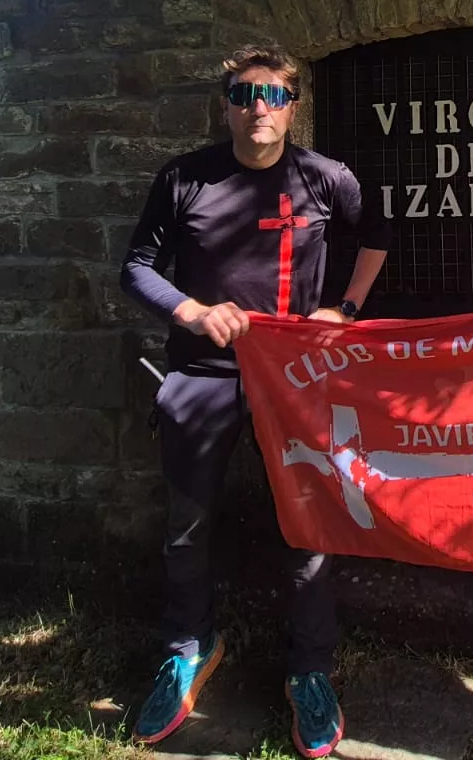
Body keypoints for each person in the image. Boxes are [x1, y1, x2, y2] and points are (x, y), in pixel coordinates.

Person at [120, 42, 389, 757]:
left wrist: (347, 309)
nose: (257, 109)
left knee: (308, 526)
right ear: (226, 105)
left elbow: (377, 238)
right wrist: (192, 312)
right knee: (187, 522)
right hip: (204, 372)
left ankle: (310, 668)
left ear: (292, 106)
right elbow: (138, 268)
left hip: (296, 380)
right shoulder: (185, 179)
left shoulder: (327, 179)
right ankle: (189, 648)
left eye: (272, 95)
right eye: (243, 96)